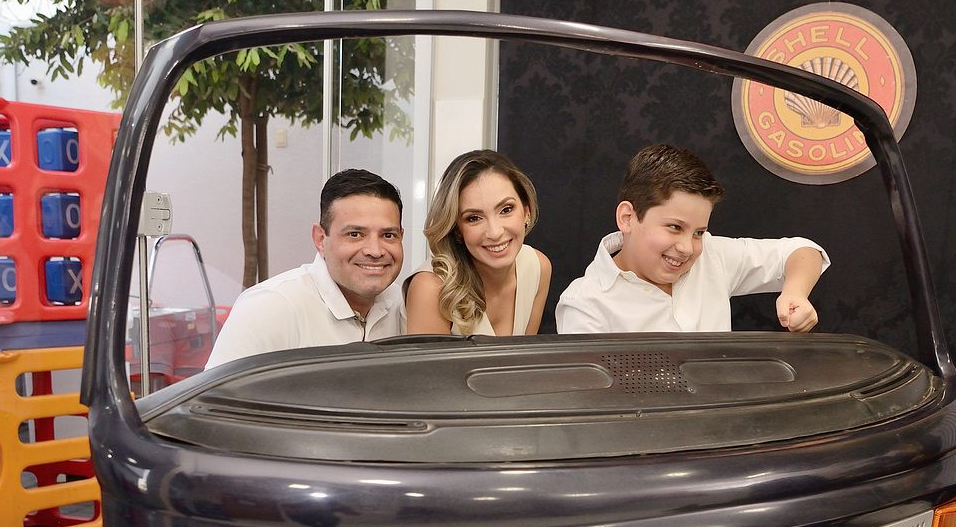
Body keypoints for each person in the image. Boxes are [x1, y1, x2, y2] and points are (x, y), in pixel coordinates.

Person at [555, 144, 828, 334]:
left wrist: (795, 292)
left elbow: (803, 251)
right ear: (628, 218)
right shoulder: (585, 304)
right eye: (674, 227)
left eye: (699, 232)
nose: (687, 248)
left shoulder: (712, 255)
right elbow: (593, 397)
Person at [204, 168, 406, 369]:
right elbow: (216, 390)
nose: (375, 251)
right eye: (355, 234)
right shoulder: (270, 307)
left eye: (388, 235)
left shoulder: (404, 304)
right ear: (320, 239)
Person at [405, 149, 551, 336]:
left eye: (506, 209)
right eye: (474, 218)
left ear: (526, 211)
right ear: (456, 228)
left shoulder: (538, 267)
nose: (495, 232)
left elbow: (524, 355)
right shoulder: (430, 288)